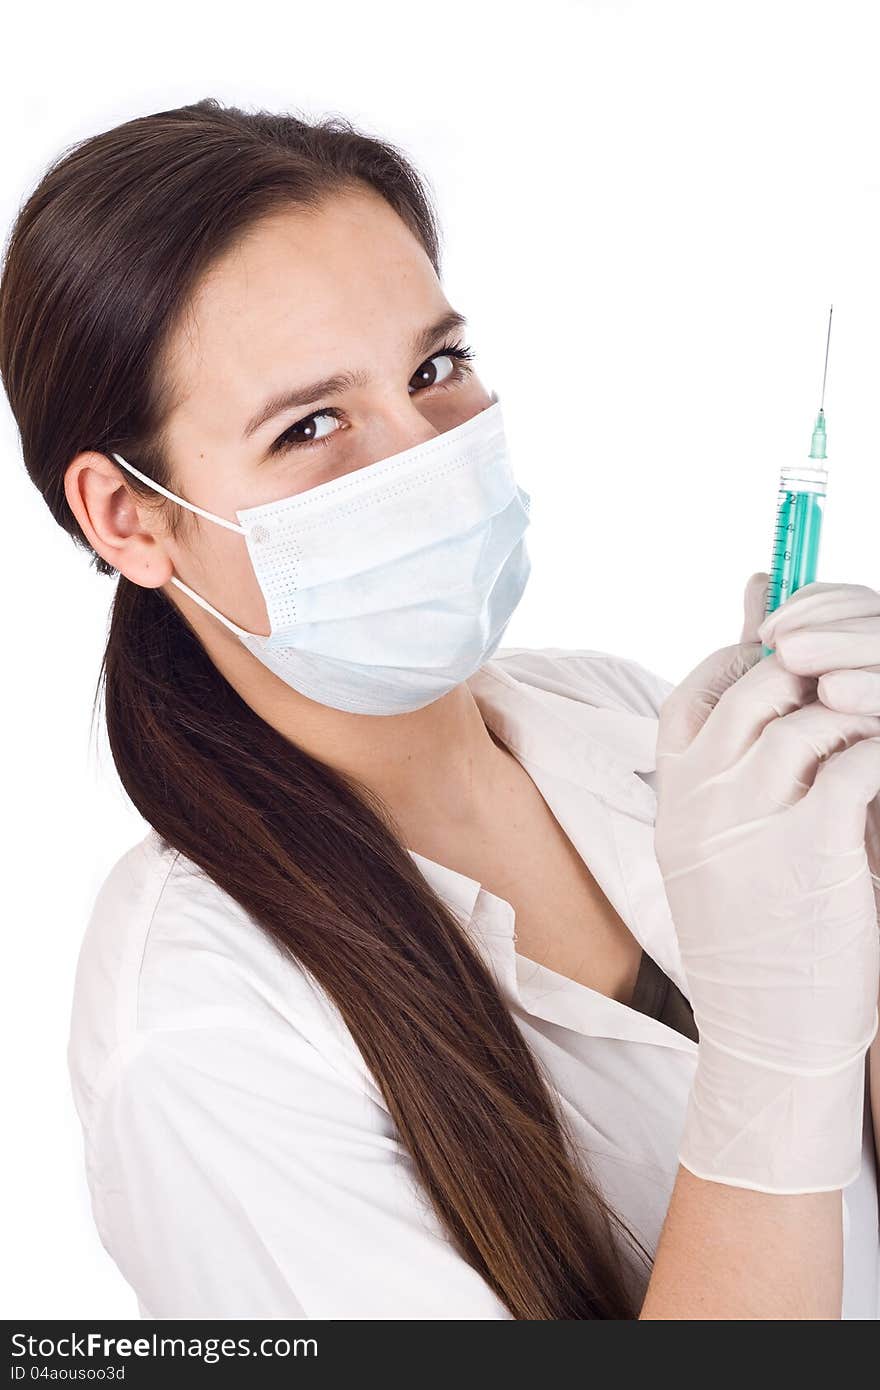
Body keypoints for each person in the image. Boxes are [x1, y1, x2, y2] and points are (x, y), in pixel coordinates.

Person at [1, 97, 877, 1321]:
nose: (420, 452)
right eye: (311, 425)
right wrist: (777, 1063)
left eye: (434, 367)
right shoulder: (199, 1030)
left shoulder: (614, 709)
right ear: (127, 515)